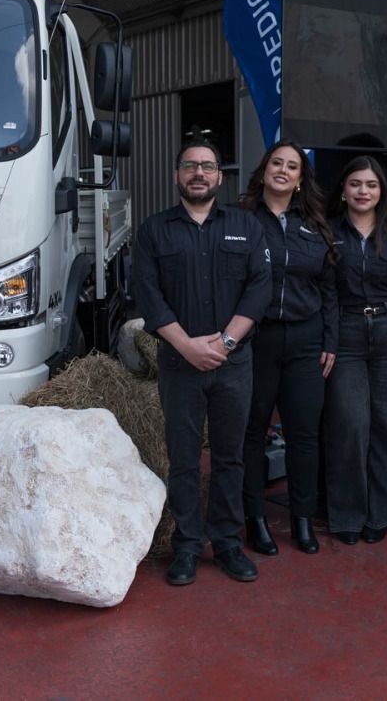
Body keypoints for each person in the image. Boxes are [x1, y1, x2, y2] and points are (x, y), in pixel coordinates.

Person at [131, 140, 271, 586]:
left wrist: (225, 343)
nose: (198, 173)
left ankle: (227, 542)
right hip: (179, 365)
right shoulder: (154, 231)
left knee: (230, 457)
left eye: (207, 166)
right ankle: (188, 545)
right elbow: (147, 293)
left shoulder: (245, 226)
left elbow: (260, 288)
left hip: (234, 364)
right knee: (184, 459)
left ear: (219, 177)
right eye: (190, 166)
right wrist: (187, 346)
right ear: (177, 175)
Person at [239, 141, 338, 556]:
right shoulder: (240, 218)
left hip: (305, 340)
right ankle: (255, 520)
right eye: (276, 163)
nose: (283, 170)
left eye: (292, 166)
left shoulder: (315, 224)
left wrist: (330, 339)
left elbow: (328, 288)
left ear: (300, 179)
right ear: (264, 171)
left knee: (303, 434)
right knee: (252, 432)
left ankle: (301, 519)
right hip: (256, 339)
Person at [323, 156, 387, 545]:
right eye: (355, 184)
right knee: (349, 426)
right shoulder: (327, 233)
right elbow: (324, 293)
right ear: (343, 190)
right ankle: (347, 516)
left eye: (371, 185)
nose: (363, 191)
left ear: (382, 191)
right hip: (346, 333)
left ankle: (382, 514)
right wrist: (328, 341)